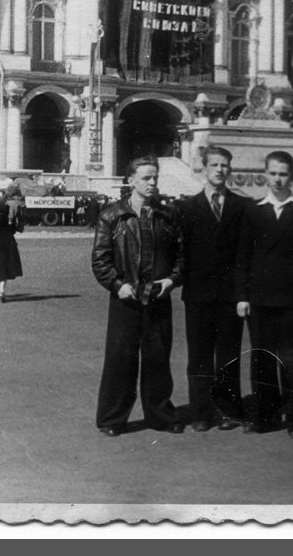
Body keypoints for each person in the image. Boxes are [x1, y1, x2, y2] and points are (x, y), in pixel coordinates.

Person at [91, 155, 184, 437]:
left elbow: (181, 256)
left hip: (157, 298)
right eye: (146, 177)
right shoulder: (111, 215)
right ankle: (112, 419)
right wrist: (118, 284)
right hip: (125, 300)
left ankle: (160, 415)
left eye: (155, 177)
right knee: (121, 360)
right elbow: (100, 259)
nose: (153, 182)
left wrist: (172, 279)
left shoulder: (168, 215)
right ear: (131, 180)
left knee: (157, 359)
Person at [235, 151, 293, 438]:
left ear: (292, 176)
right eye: (273, 173)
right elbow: (243, 257)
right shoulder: (253, 211)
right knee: (262, 360)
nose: (277, 179)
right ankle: (264, 416)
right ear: (265, 174)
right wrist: (242, 296)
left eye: (283, 174)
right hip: (259, 300)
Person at [176, 146, 248, 432]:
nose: (219, 170)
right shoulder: (187, 208)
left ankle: (229, 411)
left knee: (229, 356)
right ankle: (201, 413)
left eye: (225, 165)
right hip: (198, 295)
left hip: (231, 296)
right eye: (214, 165)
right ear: (203, 169)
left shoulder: (242, 207)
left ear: (230, 170)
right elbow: (181, 252)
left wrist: (244, 294)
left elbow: (246, 255)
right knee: (199, 357)